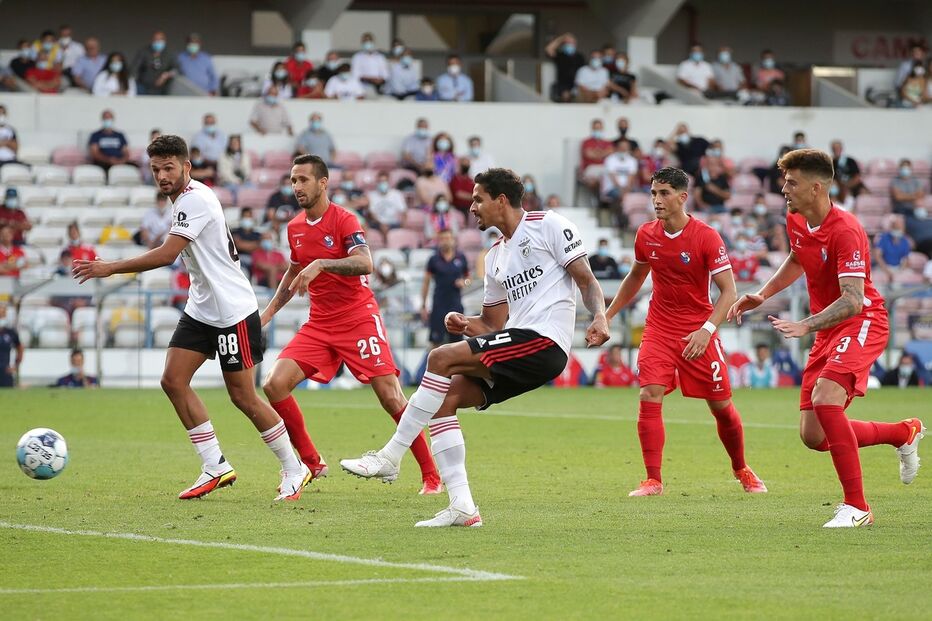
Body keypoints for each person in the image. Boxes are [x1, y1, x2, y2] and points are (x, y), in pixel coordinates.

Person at [341, 167, 610, 527]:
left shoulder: (549, 225)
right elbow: (492, 325)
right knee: (444, 400)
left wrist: (600, 316)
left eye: (478, 199)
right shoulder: (496, 256)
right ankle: (463, 507)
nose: (471, 207)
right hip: (519, 342)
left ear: (501, 200)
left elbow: (586, 280)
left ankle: (391, 455)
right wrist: (466, 324)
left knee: (440, 357)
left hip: (545, 342)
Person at [73, 134, 311, 501]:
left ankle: (294, 468)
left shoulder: (195, 199)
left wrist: (110, 268)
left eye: (169, 167)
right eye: (155, 169)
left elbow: (169, 254)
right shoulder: (183, 199)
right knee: (173, 380)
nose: (162, 175)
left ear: (186, 166)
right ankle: (214, 465)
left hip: (232, 310)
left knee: (243, 397)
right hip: (202, 308)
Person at [727, 149, 925, 527]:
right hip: (827, 327)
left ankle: (858, 507)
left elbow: (852, 301)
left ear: (816, 188)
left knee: (825, 399)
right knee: (814, 435)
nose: (784, 189)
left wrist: (806, 324)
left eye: (792, 182)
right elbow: (798, 258)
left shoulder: (847, 230)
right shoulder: (796, 218)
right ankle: (903, 432)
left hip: (861, 321)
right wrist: (763, 294)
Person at [259, 154, 442, 494]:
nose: (297, 186)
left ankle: (431, 476)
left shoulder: (344, 219)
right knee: (274, 384)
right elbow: (294, 270)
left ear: (323, 183)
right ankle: (311, 462)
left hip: (358, 318)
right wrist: (267, 314)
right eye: (293, 180)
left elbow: (365, 262)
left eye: (303, 180)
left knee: (390, 396)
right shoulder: (295, 227)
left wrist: (322, 265)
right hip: (320, 323)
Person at [605, 167, 766, 497]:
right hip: (660, 328)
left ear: (682, 197)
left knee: (721, 407)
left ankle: (741, 468)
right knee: (649, 393)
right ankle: (653, 479)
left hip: (698, 331)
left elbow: (729, 292)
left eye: (664, 193)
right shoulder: (646, 234)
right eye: (653, 193)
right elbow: (636, 277)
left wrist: (706, 330)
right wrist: (606, 316)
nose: (656, 200)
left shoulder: (706, 236)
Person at [421, 228, 469, 347]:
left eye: (447, 238)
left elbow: (468, 278)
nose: (445, 241)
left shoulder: (461, 257)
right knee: (435, 343)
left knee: (457, 343)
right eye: (442, 239)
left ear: (453, 240)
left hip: (456, 305)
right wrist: (423, 305)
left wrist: (464, 282)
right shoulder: (433, 260)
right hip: (438, 306)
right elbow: (426, 282)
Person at [132, 31, 177, 95]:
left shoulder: (169, 55)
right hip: (144, 87)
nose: (158, 42)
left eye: (160, 39)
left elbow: (176, 69)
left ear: (164, 41)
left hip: (162, 89)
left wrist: (165, 76)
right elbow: (135, 68)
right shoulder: (144, 52)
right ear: (152, 40)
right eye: (156, 39)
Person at [545, 33, 585, 102]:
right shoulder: (560, 55)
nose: (569, 45)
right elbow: (548, 49)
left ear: (575, 44)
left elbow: (583, 73)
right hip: (562, 85)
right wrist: (561, 39)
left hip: (577, 85)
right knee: (565, 96)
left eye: (571, 43)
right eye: (567, 43)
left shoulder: (580, 57)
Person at [366, 171, 407, 238]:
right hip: (378, 223)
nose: (383, 183)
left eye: (384, 181)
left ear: (388, 182)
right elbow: (372, 214)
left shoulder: (397, 194)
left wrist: (403, 226)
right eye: (380, 181)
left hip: (393, 223)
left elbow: (404, 212)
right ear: (377, 182)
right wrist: (381, 223)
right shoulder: (371, 195)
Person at [873, 215, 913, 281]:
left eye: (901, 227)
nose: (899, 229)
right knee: (879, 278)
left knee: (908, 276)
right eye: (896, 226)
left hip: (898, 268)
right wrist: (887, 271)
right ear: (892, 226)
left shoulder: (905, 240)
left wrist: (900, 271)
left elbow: (905, 259)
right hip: (884, 267)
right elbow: (878, 256)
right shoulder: (884, 238)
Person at [231, 207, 261, 273]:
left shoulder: (257, 234)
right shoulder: (234, 232)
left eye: (249, 217)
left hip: (254, 260)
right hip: (239, 259)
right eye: (245, 217)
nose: (247, 219)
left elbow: (258, 246)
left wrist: (242, 244)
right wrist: (252, 245)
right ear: (241, 218)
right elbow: (238, 246)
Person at [0, 302, 23, 388]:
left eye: (3, 314)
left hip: (5, 371)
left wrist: (15, 366)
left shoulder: (10, 332)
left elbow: (20, 348)